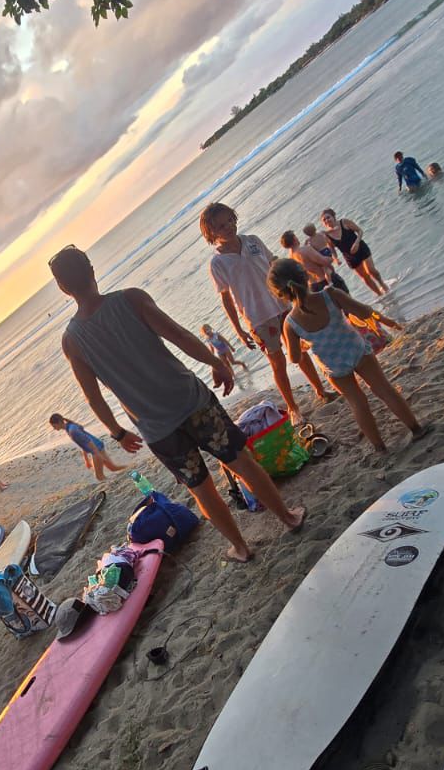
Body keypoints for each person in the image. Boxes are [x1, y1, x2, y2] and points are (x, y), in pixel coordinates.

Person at [51, 244, 305, 564]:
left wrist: (118, 432)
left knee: (202, 489)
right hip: (193, 402)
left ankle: (241, 548)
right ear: (91, 270)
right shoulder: (132, 299)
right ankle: (288, 517)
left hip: (157, 429)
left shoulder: (72, 340)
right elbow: (180, 336)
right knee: (241, 461)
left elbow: (94, 397)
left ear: (63, 288)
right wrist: (216, 362)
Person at [267, 258, 424, 453]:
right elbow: (364, 312)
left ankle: (379, 447)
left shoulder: (290, 323)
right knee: (384, 389)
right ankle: (416, 429)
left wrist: (303, 343)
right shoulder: (330, 294)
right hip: (357, 350)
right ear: (306, 275)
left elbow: (294, 358)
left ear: (279, 294)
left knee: (357, 403)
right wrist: (378, 317)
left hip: (334, 366)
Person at [200, 203, 332, 424]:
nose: (228, 227)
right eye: (221, 226)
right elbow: (226, 298)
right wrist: (238, 329)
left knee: (300, 351)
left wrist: (297, 289)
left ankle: (321, 390)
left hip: (283, 305)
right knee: (277, 362)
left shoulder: (252, 241)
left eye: (230, 220)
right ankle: (293, 408)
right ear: (211, 232)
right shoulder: (218, 262)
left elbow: (274, 266)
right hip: (258, 318)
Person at [316, 208, 391, 297]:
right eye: (324, 220)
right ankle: (380, 295)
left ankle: (382, 284)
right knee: (365, 277)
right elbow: (332, 249)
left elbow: (360, 231)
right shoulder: (326, 235)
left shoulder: (344, 222)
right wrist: (336, 259)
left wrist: (356, 243)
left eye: (328, 217)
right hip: (350, 257)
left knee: (371, 270)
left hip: (361, 249)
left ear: (333, 216)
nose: (326, 220)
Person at [48, 413, 126, 482]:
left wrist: (97, 454)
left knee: (99, 477)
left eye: (54, 426)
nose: (54, 428)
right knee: (113, 468)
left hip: (95, 449)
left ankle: (114, 482)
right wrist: (86, 460)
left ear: (59, 422)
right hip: (98, 446)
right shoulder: (69, 428)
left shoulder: (72, 430)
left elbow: (88, 441)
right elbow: (83, 444)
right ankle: (131, 467)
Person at [281, 230, 348, 292]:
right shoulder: (306, 249)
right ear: (294, 239)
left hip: (313, 287)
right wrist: (332, 256)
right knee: (346, 300)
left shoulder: (290, 258)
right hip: (326, 281)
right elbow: (325, 262)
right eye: (295, 236)